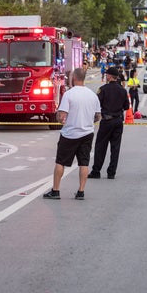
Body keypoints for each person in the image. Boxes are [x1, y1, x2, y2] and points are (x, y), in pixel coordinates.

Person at [43, 68, 101, 201]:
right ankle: (81, 191)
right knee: (84, 163)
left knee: (60, 162)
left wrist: (59, 118)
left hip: (70, 133)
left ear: (74, 78)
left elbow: (62, 115)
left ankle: (56, 190)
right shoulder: (92, 95)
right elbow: (97, 116)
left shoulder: (69, 94)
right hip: (87, 133)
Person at [88, 67, 130, 180]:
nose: (106, 76)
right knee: (115, 148)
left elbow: (97, 103)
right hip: (118, 121)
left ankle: (96, 171)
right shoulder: (123, 90)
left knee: (100, 146)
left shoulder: (103, 89)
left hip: (107, 121)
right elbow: (127, 106)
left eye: (107, 75)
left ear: (110, 76)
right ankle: (111, 172)